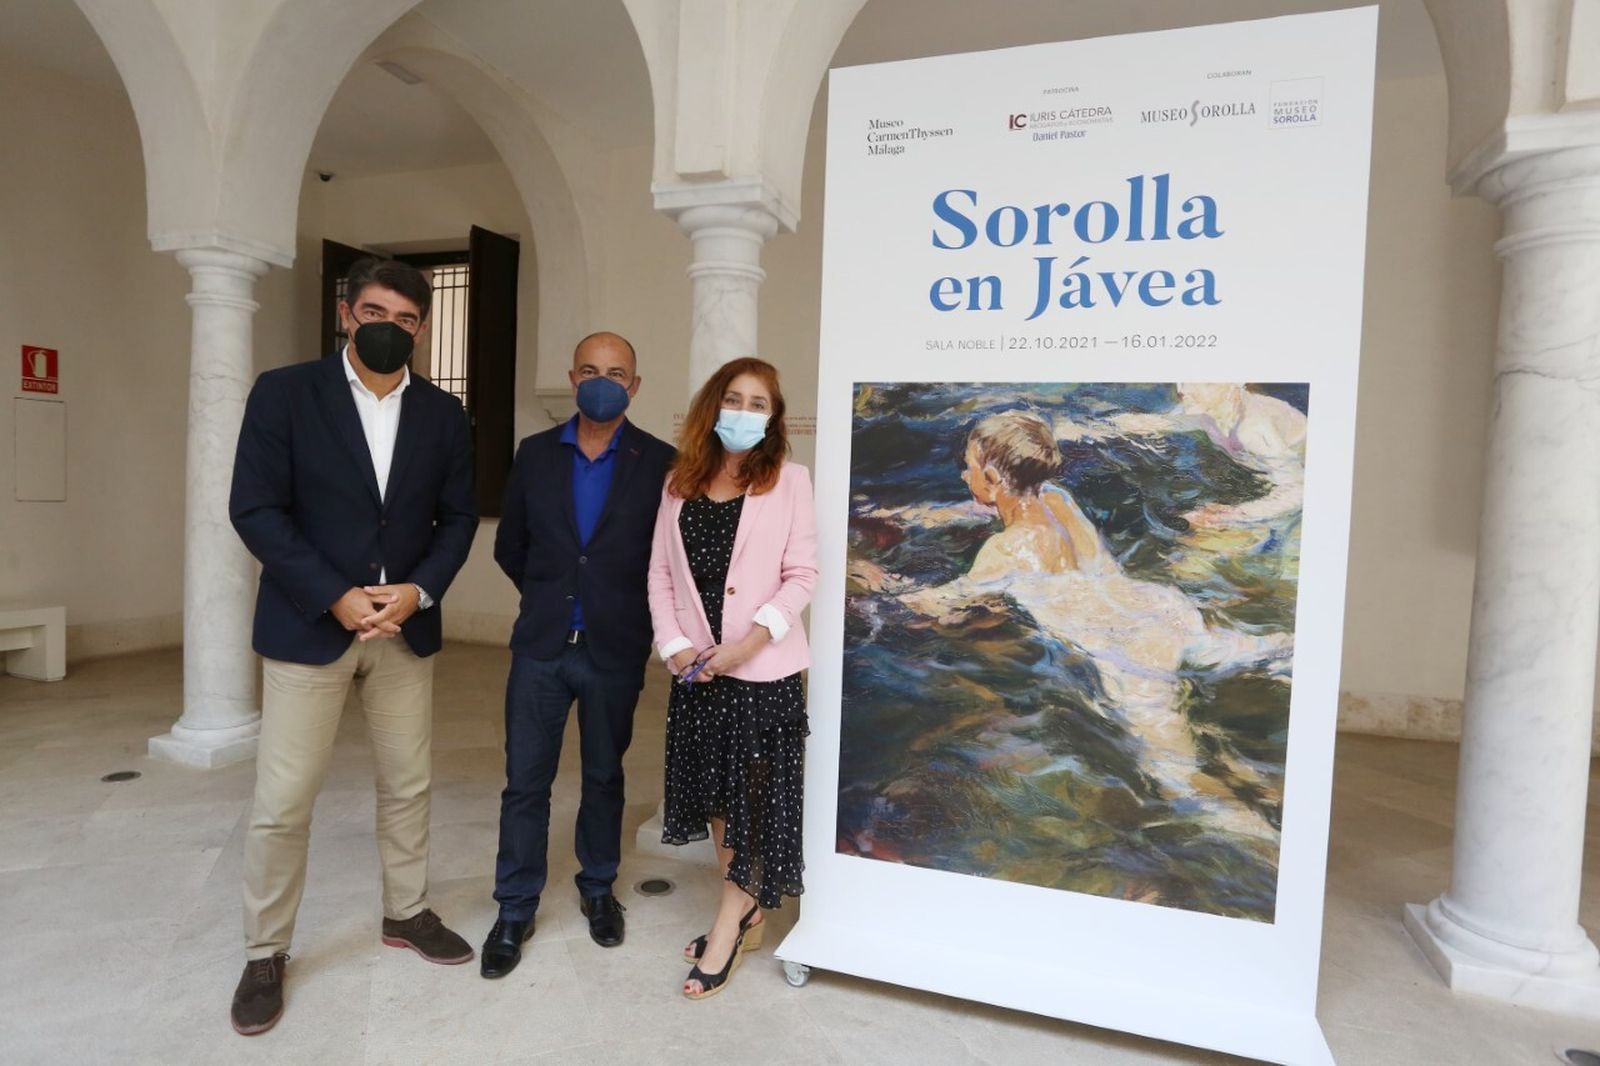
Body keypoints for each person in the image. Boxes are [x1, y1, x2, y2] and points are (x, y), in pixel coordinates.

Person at [227, 257, 479, 1036]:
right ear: (346, 313)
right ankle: (267, 950)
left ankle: (406, 913)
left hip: (403, 628)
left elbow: (459, 519)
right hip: (310, 626)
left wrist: (415, 591)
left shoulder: (443, 414)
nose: (388, 328)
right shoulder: (284, 392)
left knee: (407, 785)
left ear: (421, 329)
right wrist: (336, 594)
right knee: (283, 802)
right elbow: (257, 508)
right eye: (375, 311)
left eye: (406, 319)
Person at [900, 409, 1288, 834]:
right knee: (1268, 653)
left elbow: (941, 606)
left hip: (1130, 651)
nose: (962, 476)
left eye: (968, 468)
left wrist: (880, 592)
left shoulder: (1004, 552)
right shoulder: (1058, 500)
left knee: (1178, 781)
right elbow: (1006, 508)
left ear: (991, 477)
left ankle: (1269, 845)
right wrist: (925, 516)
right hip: (1161, 611)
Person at [482, 331, 674, 979]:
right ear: (571, 377)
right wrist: (552, 595)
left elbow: (664, 563)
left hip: (613, 648)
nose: (602, 381)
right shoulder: (534, 454)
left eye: (616, 372)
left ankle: (598, 889)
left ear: (635, 386)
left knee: (603, 777)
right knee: (525, 783)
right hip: (541, 644)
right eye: (591, 369)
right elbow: (512, 545)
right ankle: (514, 907)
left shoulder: (660, 462)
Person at [647, 356, 817, 999]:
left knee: (752, 798)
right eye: (734, 399)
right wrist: (675, 646)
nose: (744, 413)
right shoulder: (678, 484)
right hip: (697, 672)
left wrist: (748, 643)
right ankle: (746, 909)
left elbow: (803, 573)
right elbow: (661, 575)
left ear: (772, 417)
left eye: (758, 403)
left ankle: (728, 921)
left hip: (761, 669)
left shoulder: (789, 481)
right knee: (716, 799)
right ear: (712, 406)